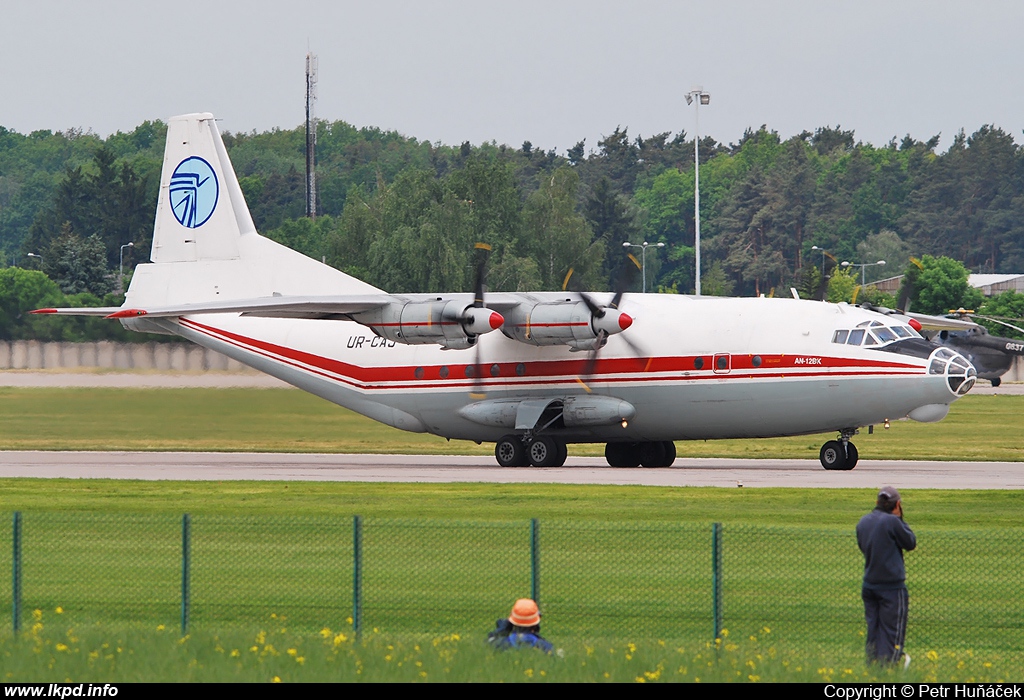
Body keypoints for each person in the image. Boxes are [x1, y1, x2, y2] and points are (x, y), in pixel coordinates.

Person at [856, 485, 916, 668]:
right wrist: (900, 518)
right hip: (891, 587)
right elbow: (910, 542)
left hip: (870, 584)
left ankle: (872, 667)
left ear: (877, 502)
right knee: (892, 632)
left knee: (873, 630)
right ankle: (888, 669)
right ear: (897, 504)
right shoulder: (892, 522)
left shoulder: (863, 522)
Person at [487, 598, 553, 653]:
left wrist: (502, 629)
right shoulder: (544, 646)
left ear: (511, 621)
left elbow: (488, 642)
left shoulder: (500, 644)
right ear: (536, 623)